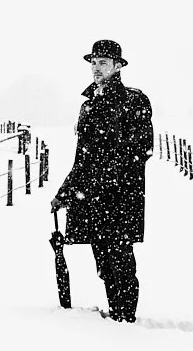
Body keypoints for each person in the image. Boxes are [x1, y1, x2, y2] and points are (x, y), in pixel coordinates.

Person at [50, 39, 153, 322]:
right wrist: (65, 192)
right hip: (92, 199)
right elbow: (82, 157)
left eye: (103, 63)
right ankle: (117, 315)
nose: (96, 68)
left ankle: (125, 319)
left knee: (120, 259)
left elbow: (141, 149)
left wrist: (103, 180)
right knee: (104, 262)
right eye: (93, 63)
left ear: (118, 66)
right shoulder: (88, 105)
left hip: (121, 197)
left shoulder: (134, 101)